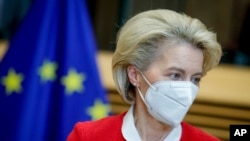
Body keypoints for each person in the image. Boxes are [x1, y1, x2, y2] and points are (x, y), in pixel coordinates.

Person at [67, 9, 222, 141]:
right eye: (175, 75)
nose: (187, 90)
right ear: (135, 75)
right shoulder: (88, 136)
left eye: (195, 79)